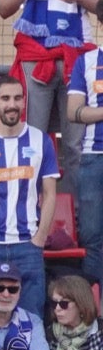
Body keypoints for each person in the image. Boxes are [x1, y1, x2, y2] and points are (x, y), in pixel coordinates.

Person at [0, 0, 103, 192]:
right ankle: (30, 211)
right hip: (36, 56)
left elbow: (101, 6)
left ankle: (73, 217)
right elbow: (4, 9)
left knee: (75, 145)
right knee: (32, 139)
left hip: (77, 56)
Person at [0, 75, 58, 319]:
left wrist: (40, 238)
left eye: (17, 98)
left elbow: (49, 193)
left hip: (28, 245)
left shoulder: (41, 140)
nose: (12, 104)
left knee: (31, 318)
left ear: (24, 102)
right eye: (5, 98)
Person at [69, 25, 103, 286]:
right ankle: (97, 315)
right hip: (94, 158)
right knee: (92, 237)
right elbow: (73, 111)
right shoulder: (87, 61)